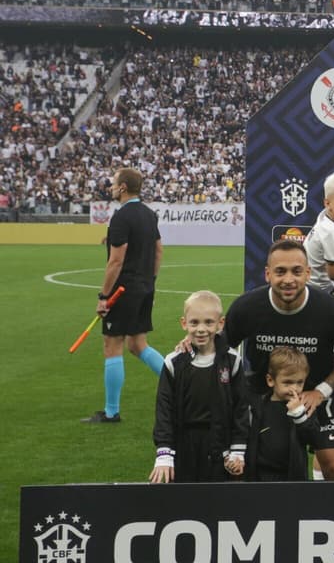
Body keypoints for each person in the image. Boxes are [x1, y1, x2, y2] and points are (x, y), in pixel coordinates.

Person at [223, 239, 334, 480]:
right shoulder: (246, 308)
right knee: (250, 463)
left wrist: (320, 392)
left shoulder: (332, 311)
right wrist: (195, 344)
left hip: (318, 391)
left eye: (297, 271)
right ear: (267, 274)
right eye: (280, 271)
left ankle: (330, 515)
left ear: (308, 273)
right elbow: (221, 350)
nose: (289, 279)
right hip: (264, 394)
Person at [84, 167, 166, 424]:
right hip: (144, 287)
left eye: (113, 183)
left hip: (123, 291)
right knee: (138, 344)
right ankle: (184, 383)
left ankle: (111, 412)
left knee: (113, 345)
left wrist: (103, 296)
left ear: (122, 188)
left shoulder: (121, 217)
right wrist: (149, 281)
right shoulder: (149, 214)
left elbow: (115, 261)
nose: (110, 187)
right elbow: (159, 251)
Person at [150, 291, 249, 483]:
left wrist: (238, 450)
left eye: (208, 322)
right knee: (184, 503)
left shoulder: (232, 360)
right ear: (184, 323)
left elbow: (241, 408)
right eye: (194, 322)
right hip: (184, 447)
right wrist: (164, 453)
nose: (201, 329)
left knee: (219, 505)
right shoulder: (174, 362)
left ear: (220, 324)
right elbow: (164, 409)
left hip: (221, 447)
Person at [244, 346, 326, 481]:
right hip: (258, 477)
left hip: (292, 478)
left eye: (299, 382)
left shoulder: (305, 407)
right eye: (287, 382)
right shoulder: (258, 406)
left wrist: (299, 415)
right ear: (271, 380)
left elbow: (316, 441)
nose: (294, 388)